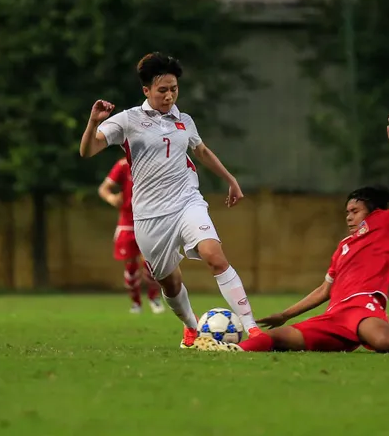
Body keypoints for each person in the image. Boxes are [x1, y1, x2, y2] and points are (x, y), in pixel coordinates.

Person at [193, 116, 389, 354]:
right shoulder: (343, 247)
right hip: (334, 317)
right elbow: (325, 290)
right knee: (274, 338)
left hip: (363, 307)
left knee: (385, 343)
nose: (348, 215)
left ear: (371, 212)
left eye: (355, 210)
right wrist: (285, 314)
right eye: (346, 211)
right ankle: (231, 350)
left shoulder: (385, 221)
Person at [79, 52, 261, 348]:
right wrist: (92, 121)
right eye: (162, 90)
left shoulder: (184, 120)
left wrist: (231, 179)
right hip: (149, 216)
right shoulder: (128, 120)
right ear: (146, 91)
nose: (169, 95)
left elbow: (201, 152)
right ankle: (192, 328)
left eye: (174, 89)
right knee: (170, 282)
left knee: (215, 255)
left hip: (187, 201)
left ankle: (253, 331)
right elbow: (88, 150)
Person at [98, 157, 165, 314]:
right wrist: (111, 198)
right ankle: (136, 303)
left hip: (150, 221)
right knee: (131, 267)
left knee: (151, 265)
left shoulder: (156, 162)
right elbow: (104, 188)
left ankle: (154, 297)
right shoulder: (123, 165)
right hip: (127, 223)